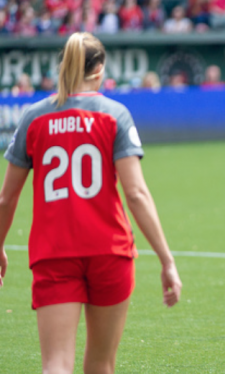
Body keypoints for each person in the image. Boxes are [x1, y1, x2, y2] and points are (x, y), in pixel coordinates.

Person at [0, 32, 182, 374]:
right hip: (109, 251)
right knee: (101, 365)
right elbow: (136, 194)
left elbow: (6, 198)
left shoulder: (34, 117)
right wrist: (166, 260)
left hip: (54, 253)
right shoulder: (115, 114)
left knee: (55, 364)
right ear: (99, 70)